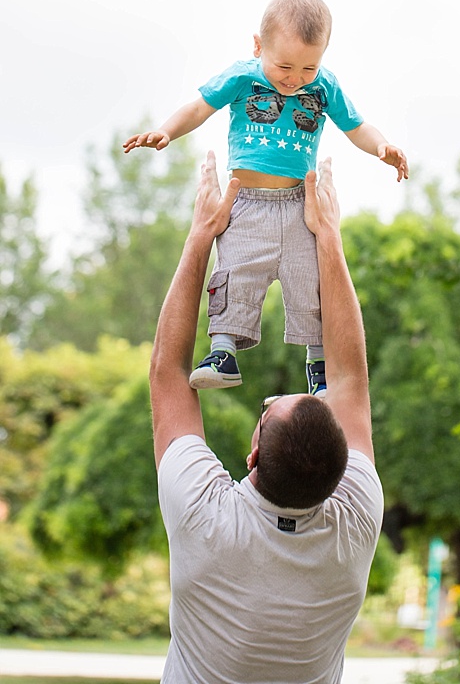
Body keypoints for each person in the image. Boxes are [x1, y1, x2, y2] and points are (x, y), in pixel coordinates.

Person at [151, 152, 382, 682]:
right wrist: (328, 238)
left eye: (266, 410)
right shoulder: (355, 526)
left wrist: (201, 235)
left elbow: (168, 373)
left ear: (253, 455)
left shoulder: (204, 518)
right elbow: (348, 380)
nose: (266, 399)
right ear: (344, 468)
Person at [125, 0, 408, 397]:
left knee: (310, 281)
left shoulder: (324, 86)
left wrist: (382, 147)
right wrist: (166, 131)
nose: (295, 78)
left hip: (299, 207)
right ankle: (222, 353)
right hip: (247, 203)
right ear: (258, 46)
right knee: (234, 273)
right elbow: (199, 108)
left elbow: (357, 127)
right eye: (284, 66)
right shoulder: (243, 76)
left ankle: (319, 365)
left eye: (309, 66)